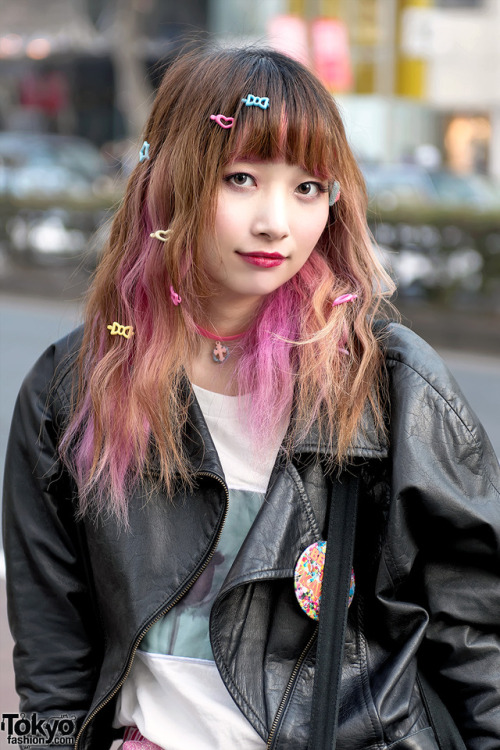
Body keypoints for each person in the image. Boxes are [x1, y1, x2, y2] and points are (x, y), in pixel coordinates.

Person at [3, 46, 499, 750]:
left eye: (306, 188)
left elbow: (475, 636)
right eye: (241, 178)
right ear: (170, 183)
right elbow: (53, 668)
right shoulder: (73, 390)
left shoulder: (385, 382)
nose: (276, 222)